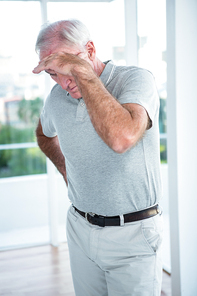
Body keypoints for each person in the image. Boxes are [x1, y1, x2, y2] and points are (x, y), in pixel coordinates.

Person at [33, 19, 163, 296]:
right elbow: (44, 134)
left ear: (90, 49)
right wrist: (65, 169)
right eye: (53, 73)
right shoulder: (57, 97)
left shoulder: (135, 80)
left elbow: (121, 138)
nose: (64, 82)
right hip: (80, 229)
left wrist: (84, 75)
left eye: (70, 67)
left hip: (133, 235)